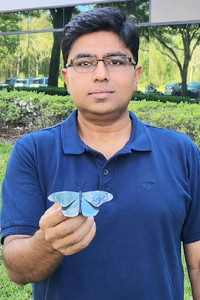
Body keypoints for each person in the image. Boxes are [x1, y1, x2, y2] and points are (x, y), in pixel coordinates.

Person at [1, 6, 200, 300]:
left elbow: (196, 263)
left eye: (116, 61)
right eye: (85, 63)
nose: (100, 74)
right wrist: (47, 243)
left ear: (136, 75)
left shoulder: (181, 151)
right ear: (67, 78)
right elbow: (17, 269)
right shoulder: (32, 151)